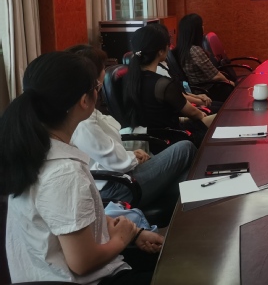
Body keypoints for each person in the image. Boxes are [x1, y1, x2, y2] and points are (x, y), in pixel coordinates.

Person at [0, 52, 162, 284]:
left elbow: (72, 220)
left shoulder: (32, 148)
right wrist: (122, 239)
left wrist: (133, 233)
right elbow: (82, 262)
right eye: (96, 87)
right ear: (84, 101)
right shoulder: (64, 173)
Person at [67, 45, 196, 210]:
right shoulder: (83, 121)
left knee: (186, 181)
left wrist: (130, 154)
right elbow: (115, 161)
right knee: (185, 148)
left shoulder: (85, 111)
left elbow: (105, 151)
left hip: (118, 174)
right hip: (117, 187)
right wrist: (133, 157)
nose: (105, 71)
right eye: (103, 68)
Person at [123, 24, 216, 143]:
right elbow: (193, 112)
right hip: (172, 139)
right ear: (161, 52)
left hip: (149, 138)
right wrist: (201, 115)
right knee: (223, 119)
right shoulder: (162, 84)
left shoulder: (128, 79)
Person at [176, 13, 236, 95]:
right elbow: (215, 75)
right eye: (201, 25)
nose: (203, 27)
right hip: (206, 89)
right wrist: (229, 82)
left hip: (198, 88)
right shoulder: (195, 50)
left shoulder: (182, 48)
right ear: (196, 30)